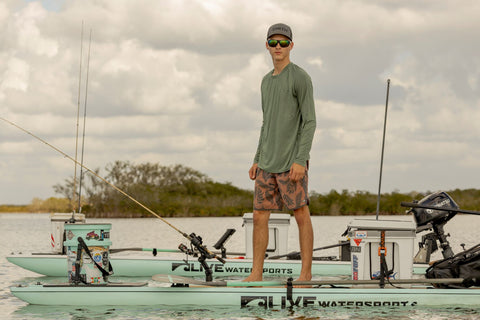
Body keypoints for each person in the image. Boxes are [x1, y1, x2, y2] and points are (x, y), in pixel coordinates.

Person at [244, 23, 316, 282]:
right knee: (259, 215)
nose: (278, 47)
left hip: (291, 162)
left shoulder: (300, 77)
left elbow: (309, 121)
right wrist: (256, 158)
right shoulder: (265, 81)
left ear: (291, 46)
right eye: (273, 42)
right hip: (267, 163)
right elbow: (267, 123)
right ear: (266, 45)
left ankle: (305, 274)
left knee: (300, 213)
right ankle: (256, 273)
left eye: (283, 43)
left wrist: (300, 160)